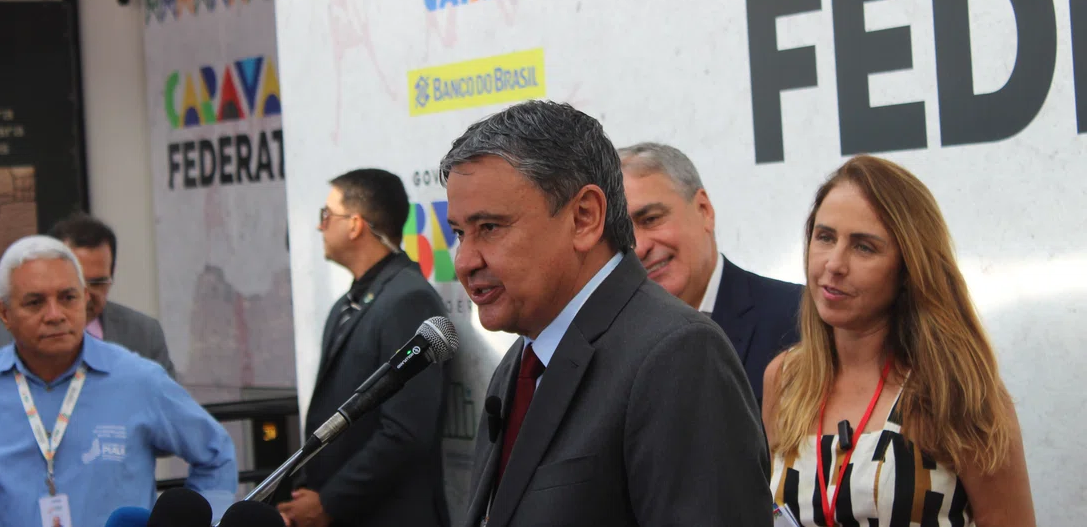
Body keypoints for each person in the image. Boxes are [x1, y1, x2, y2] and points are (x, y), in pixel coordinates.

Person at [444, 101, 770, 527]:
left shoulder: (679, 353)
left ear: (584, 218)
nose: (465, 260)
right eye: (458, 233)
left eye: (489, 227)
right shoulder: (521, 361)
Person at [762, 155, 1036, 526]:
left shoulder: (957, 387)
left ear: (909, 268)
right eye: (825, 237)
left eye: (863, 247)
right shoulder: (785, 378)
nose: (834, 264)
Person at [0, 235, 237, 527]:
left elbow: (216, 456)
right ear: (4, 313)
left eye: (68, 298)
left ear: (85, 300)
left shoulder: (138, 380)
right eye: (35, 302)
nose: (55, 314)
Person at [276, 169, 450, 527]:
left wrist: (330, 502)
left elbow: (406, 431)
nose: (319, 227)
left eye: (327, 216)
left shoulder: (409, 300)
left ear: (355, 225)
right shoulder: (346, 304)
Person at [0, 213, 176, 431]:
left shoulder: (143, 333)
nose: (87, 295)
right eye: (76, 283)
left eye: (99, 283)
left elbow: (175, 427)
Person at [618, 142, 800, 403]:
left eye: (651, 219)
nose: (639, 247)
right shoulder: (611, 345)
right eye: (622, 234)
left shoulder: (798, 318)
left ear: (704, 210)